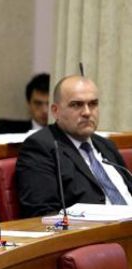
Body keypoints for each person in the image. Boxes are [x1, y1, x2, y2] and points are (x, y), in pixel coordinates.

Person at [15, 75, 132, 217]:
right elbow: (42, 214)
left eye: (93, 104)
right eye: (76, 105)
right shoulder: (40, 147)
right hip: (95, 233)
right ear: (55, 111)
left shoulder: (105, 145)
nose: (87, 112)